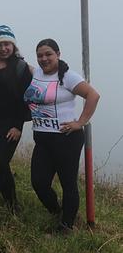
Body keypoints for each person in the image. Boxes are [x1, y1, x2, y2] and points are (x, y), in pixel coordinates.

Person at [24, 38, 100, 233]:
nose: (44, 58)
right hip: (42, 139)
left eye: (48, 54)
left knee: (68, 183)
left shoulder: (67, 76)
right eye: (40, 55)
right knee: (39, 182)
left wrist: (80, 122)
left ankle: (66, 225)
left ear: (58, 54)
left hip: (66, 138)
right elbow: (26, 65)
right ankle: (57, 211)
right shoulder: (37, 72)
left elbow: (93, 95)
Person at [0, 25, 32, 214]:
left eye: (7, 44)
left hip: (10, 124)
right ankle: (12, 202)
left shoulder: (21, 67)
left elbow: (26, 98)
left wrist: (18, 125)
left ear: (13, 45)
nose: (3, 48)